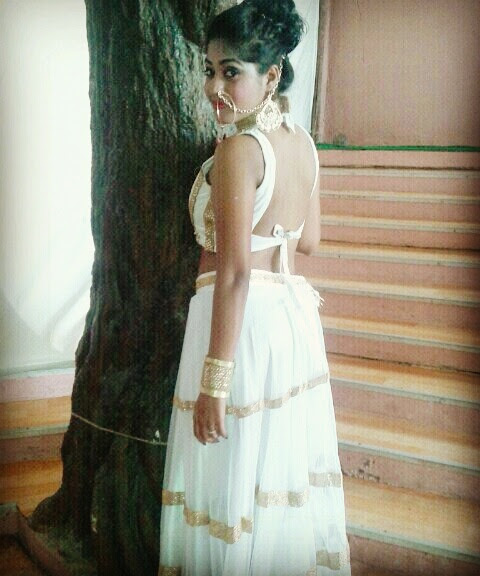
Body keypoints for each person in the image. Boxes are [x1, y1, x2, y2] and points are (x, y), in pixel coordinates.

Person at [159, 1, 351, 574]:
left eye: (231, 72)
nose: (215, 88)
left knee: (232, 473)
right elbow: (309, 241)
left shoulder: (239, 150)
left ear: (271, 76)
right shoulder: (303, 143)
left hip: (238, 326)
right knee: (271, 471)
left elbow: (236, 272)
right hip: (289, 319)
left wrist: (214, 382)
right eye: (209, 70)